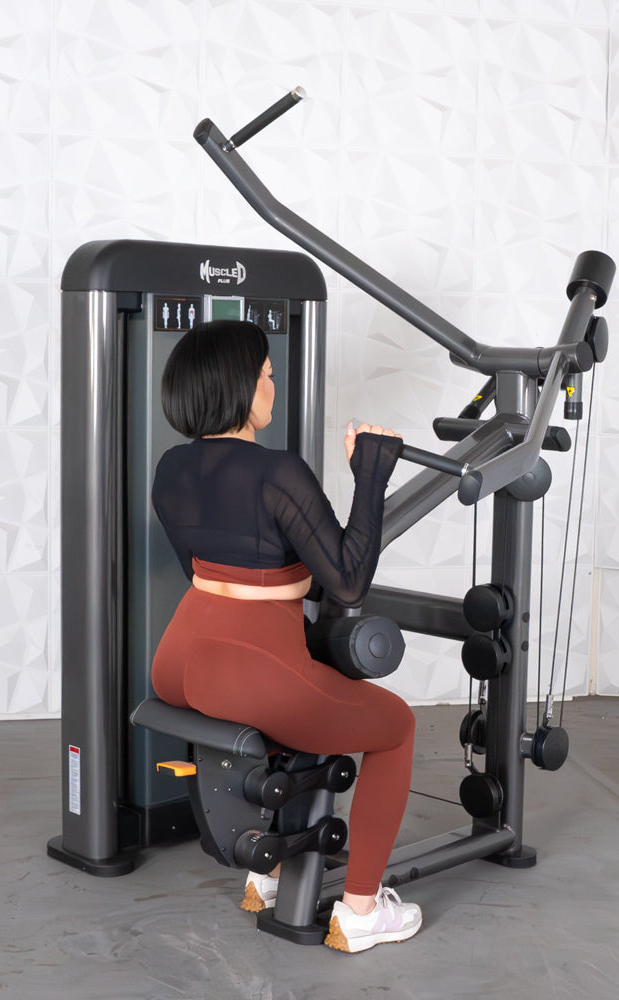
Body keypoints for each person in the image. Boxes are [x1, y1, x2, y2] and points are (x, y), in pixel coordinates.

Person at [150, 320, 422, 954]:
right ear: (242, 387)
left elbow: (206, 565)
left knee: (291, 713)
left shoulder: (171, 468)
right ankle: (360, 911)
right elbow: (349, 582)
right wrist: (372, 475)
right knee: (397, 727)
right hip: (250, 668)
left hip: (179, 658)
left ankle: (266, 874)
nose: (273, 384)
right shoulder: (277, 472)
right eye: (267, 374)